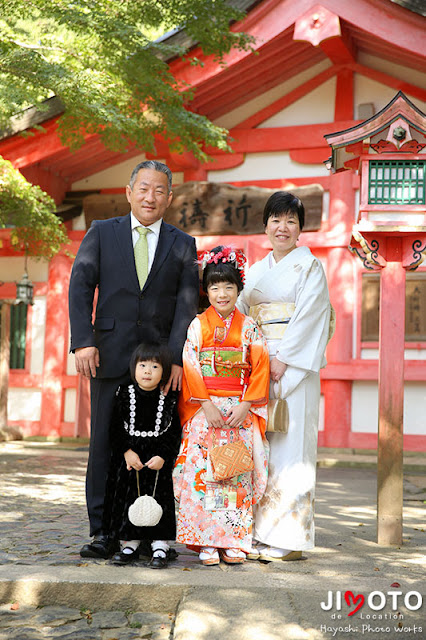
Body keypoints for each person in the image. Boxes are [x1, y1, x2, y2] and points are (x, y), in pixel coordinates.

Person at [68, 160, 199, 559]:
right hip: (108, 354)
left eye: (159, 190)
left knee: (157, 443)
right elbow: (80, 284)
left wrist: (176, 358)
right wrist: (83, 341)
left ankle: (146, 532)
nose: (150, 197)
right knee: (106, 443)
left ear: (169, 198)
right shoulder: (102, 233)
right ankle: (103, 531)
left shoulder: (182, 244)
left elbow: (186, 305)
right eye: (143, 188)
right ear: (129, 192)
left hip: (158, 363)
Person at [237, 191, 332, 562]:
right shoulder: (256, 271)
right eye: (276, 220)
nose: (283, 227)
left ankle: (291, 539)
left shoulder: (310, 268)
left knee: (293, 451)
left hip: (294, 368)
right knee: (265, 452)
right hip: (259, 365)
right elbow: (243, 314)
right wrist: (256, 359)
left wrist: (284, 359)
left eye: (291, 221)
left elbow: (312, 316)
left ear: (300, 230)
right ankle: (263, 531)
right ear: (265, 225)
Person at [173, 246, 270, 566]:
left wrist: (246, 405)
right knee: (205, 474)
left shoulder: (250, 327)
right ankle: (206, 541)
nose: (222, 293)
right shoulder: (198, 324)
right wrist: (205, 404)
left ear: (238, 289)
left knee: (235, 474)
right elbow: (190, 363)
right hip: (206, 409)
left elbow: (260, 366)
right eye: (214, 286)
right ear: (207, 291)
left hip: (239, 409)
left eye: (228, 286)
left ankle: (232, 541)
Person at [103, 343, 182, 569]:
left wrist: (164, 456)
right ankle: (130, 543)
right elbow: (115, 428)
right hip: (131, 461)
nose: (148, 371)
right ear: (134, 367)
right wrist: (126, 452)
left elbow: (174, 432)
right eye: (143, 365)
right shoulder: (123, 394)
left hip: (157, 461)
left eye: (155, 366)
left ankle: (159, 544)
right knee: (128, 499)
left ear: (164, 372)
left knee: (160, 499)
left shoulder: (169, 398)